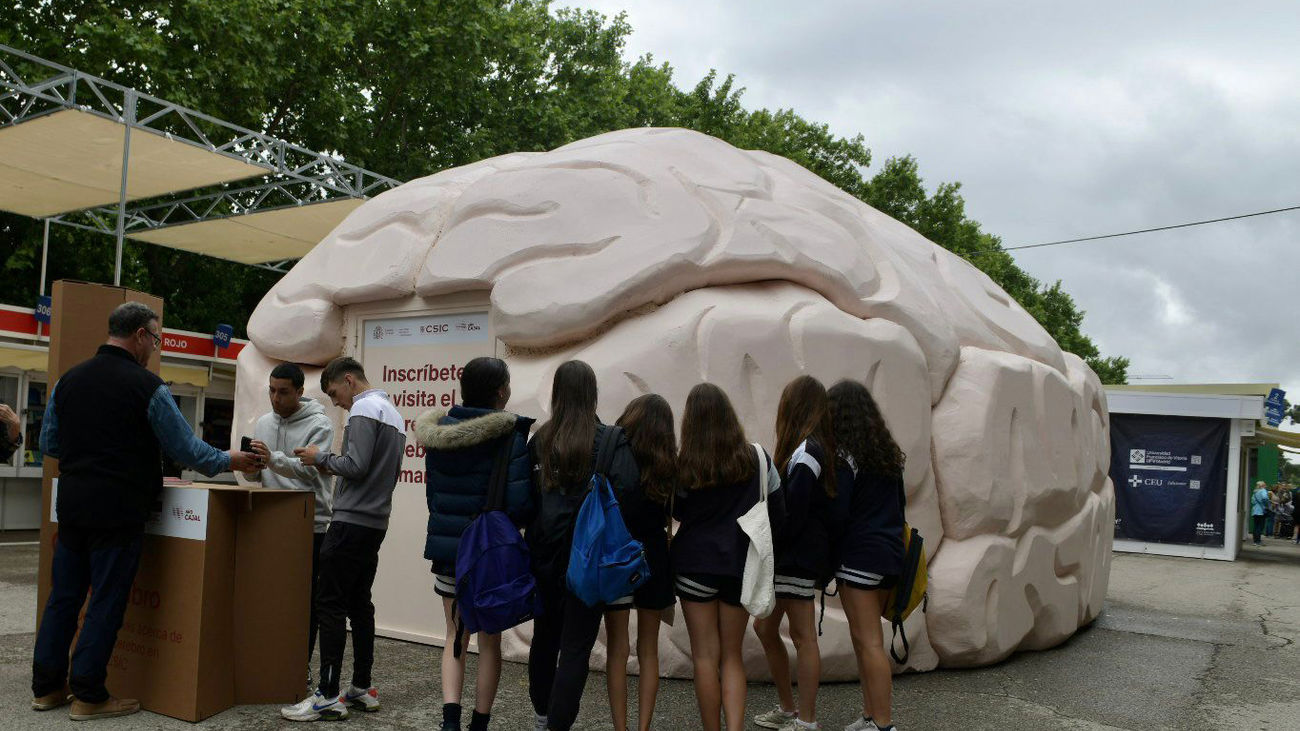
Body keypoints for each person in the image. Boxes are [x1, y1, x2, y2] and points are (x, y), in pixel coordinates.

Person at [30, 302, 259, 721]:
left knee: (63, 598)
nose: (155, 347)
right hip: (119, 510)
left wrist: (91, 453)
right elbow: (188, 451)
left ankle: (46, 688)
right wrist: (232, 460)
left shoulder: (68, 381)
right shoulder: (148, 387)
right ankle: (88, 694)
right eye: (155, 339)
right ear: (139, 335)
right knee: (106, 600)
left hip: (74, 506)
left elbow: (50, 444)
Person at [281, 357, 406, 722]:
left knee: (330, 604)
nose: (336, 402)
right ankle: (361, 687)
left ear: (349, 380)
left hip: (350, 522)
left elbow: (356, 465)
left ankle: (326, 695)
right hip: (375, 522)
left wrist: (320, 457)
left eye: (335, 393)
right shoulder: (394, 414)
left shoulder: (364, 408)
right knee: (359, 603)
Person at [416, 357, 534, 731]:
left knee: (454, 635)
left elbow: (433, 496)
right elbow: (518, 506)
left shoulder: (438, 437)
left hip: (450, 552)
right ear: (500, 392)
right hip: (489, 557)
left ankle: (449, 721)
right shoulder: (509, 437)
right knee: (490, 641)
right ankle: (479, 723)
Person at [526, 360, 639, 731]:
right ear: (593, 393)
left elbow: (527, 501)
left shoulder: (539, 441)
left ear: (557, 393)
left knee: (544, 636)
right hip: (589, 559)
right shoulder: (610, 440)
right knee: (576, 646)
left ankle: (542, 712)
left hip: (543, 554)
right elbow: (628, 493)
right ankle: (558, 723)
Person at [671, 382, 784, 731]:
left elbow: (676, 512)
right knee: (732, 655)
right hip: (739, 566)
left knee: (705, 658)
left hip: (693, 566)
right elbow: (778, 513)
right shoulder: (759, 458)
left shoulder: (684, 465)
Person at [754, 375, 839, 731]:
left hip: (795, 558)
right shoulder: (813, 450)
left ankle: (805, 719)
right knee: (765, 627)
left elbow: (795, 514)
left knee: (802, 636)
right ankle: (792, 711)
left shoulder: (806, 453)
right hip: (796, 558)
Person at [242, 362, 335, 681]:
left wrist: (273, 459)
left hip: (310, 523)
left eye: (283, 392)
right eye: (271, 390)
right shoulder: (264, 422)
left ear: (299, 392)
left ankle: (300, 665)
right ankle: (269, 656)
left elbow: (311, 470)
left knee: (305, 601)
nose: (275, 398)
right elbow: (257, 473)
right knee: (270, 595)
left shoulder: (320, 424)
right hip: (270, 519)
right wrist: (251, 466)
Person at [828, 379, 906, 731]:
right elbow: (900, 508)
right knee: (866, 640)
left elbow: (839, 513)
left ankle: (883, 723)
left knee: (868, 641)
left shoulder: (845, 457)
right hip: (889, 553)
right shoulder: (888, 454)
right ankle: (871, 716)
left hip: (858, 557)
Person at [604, 394, 677, 731]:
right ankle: (643, 727)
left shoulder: (614, 455)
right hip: (655, 559)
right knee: (649, 650)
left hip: (617, 555)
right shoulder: (669, 464)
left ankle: (621, 727)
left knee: (617, 648)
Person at [1251, 481, 1270, 546]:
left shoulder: (1255, 492)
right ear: (1263, 485)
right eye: (1265, 485)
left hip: (1255, 511)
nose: (1266, 486)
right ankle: (1258, 541)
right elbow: (1265, 498)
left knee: (1255, 526)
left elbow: (1252, 501)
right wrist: (1266, 503)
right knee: (1260, 527)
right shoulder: (1263, 490)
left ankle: (1255, 541)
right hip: (1261, 511)